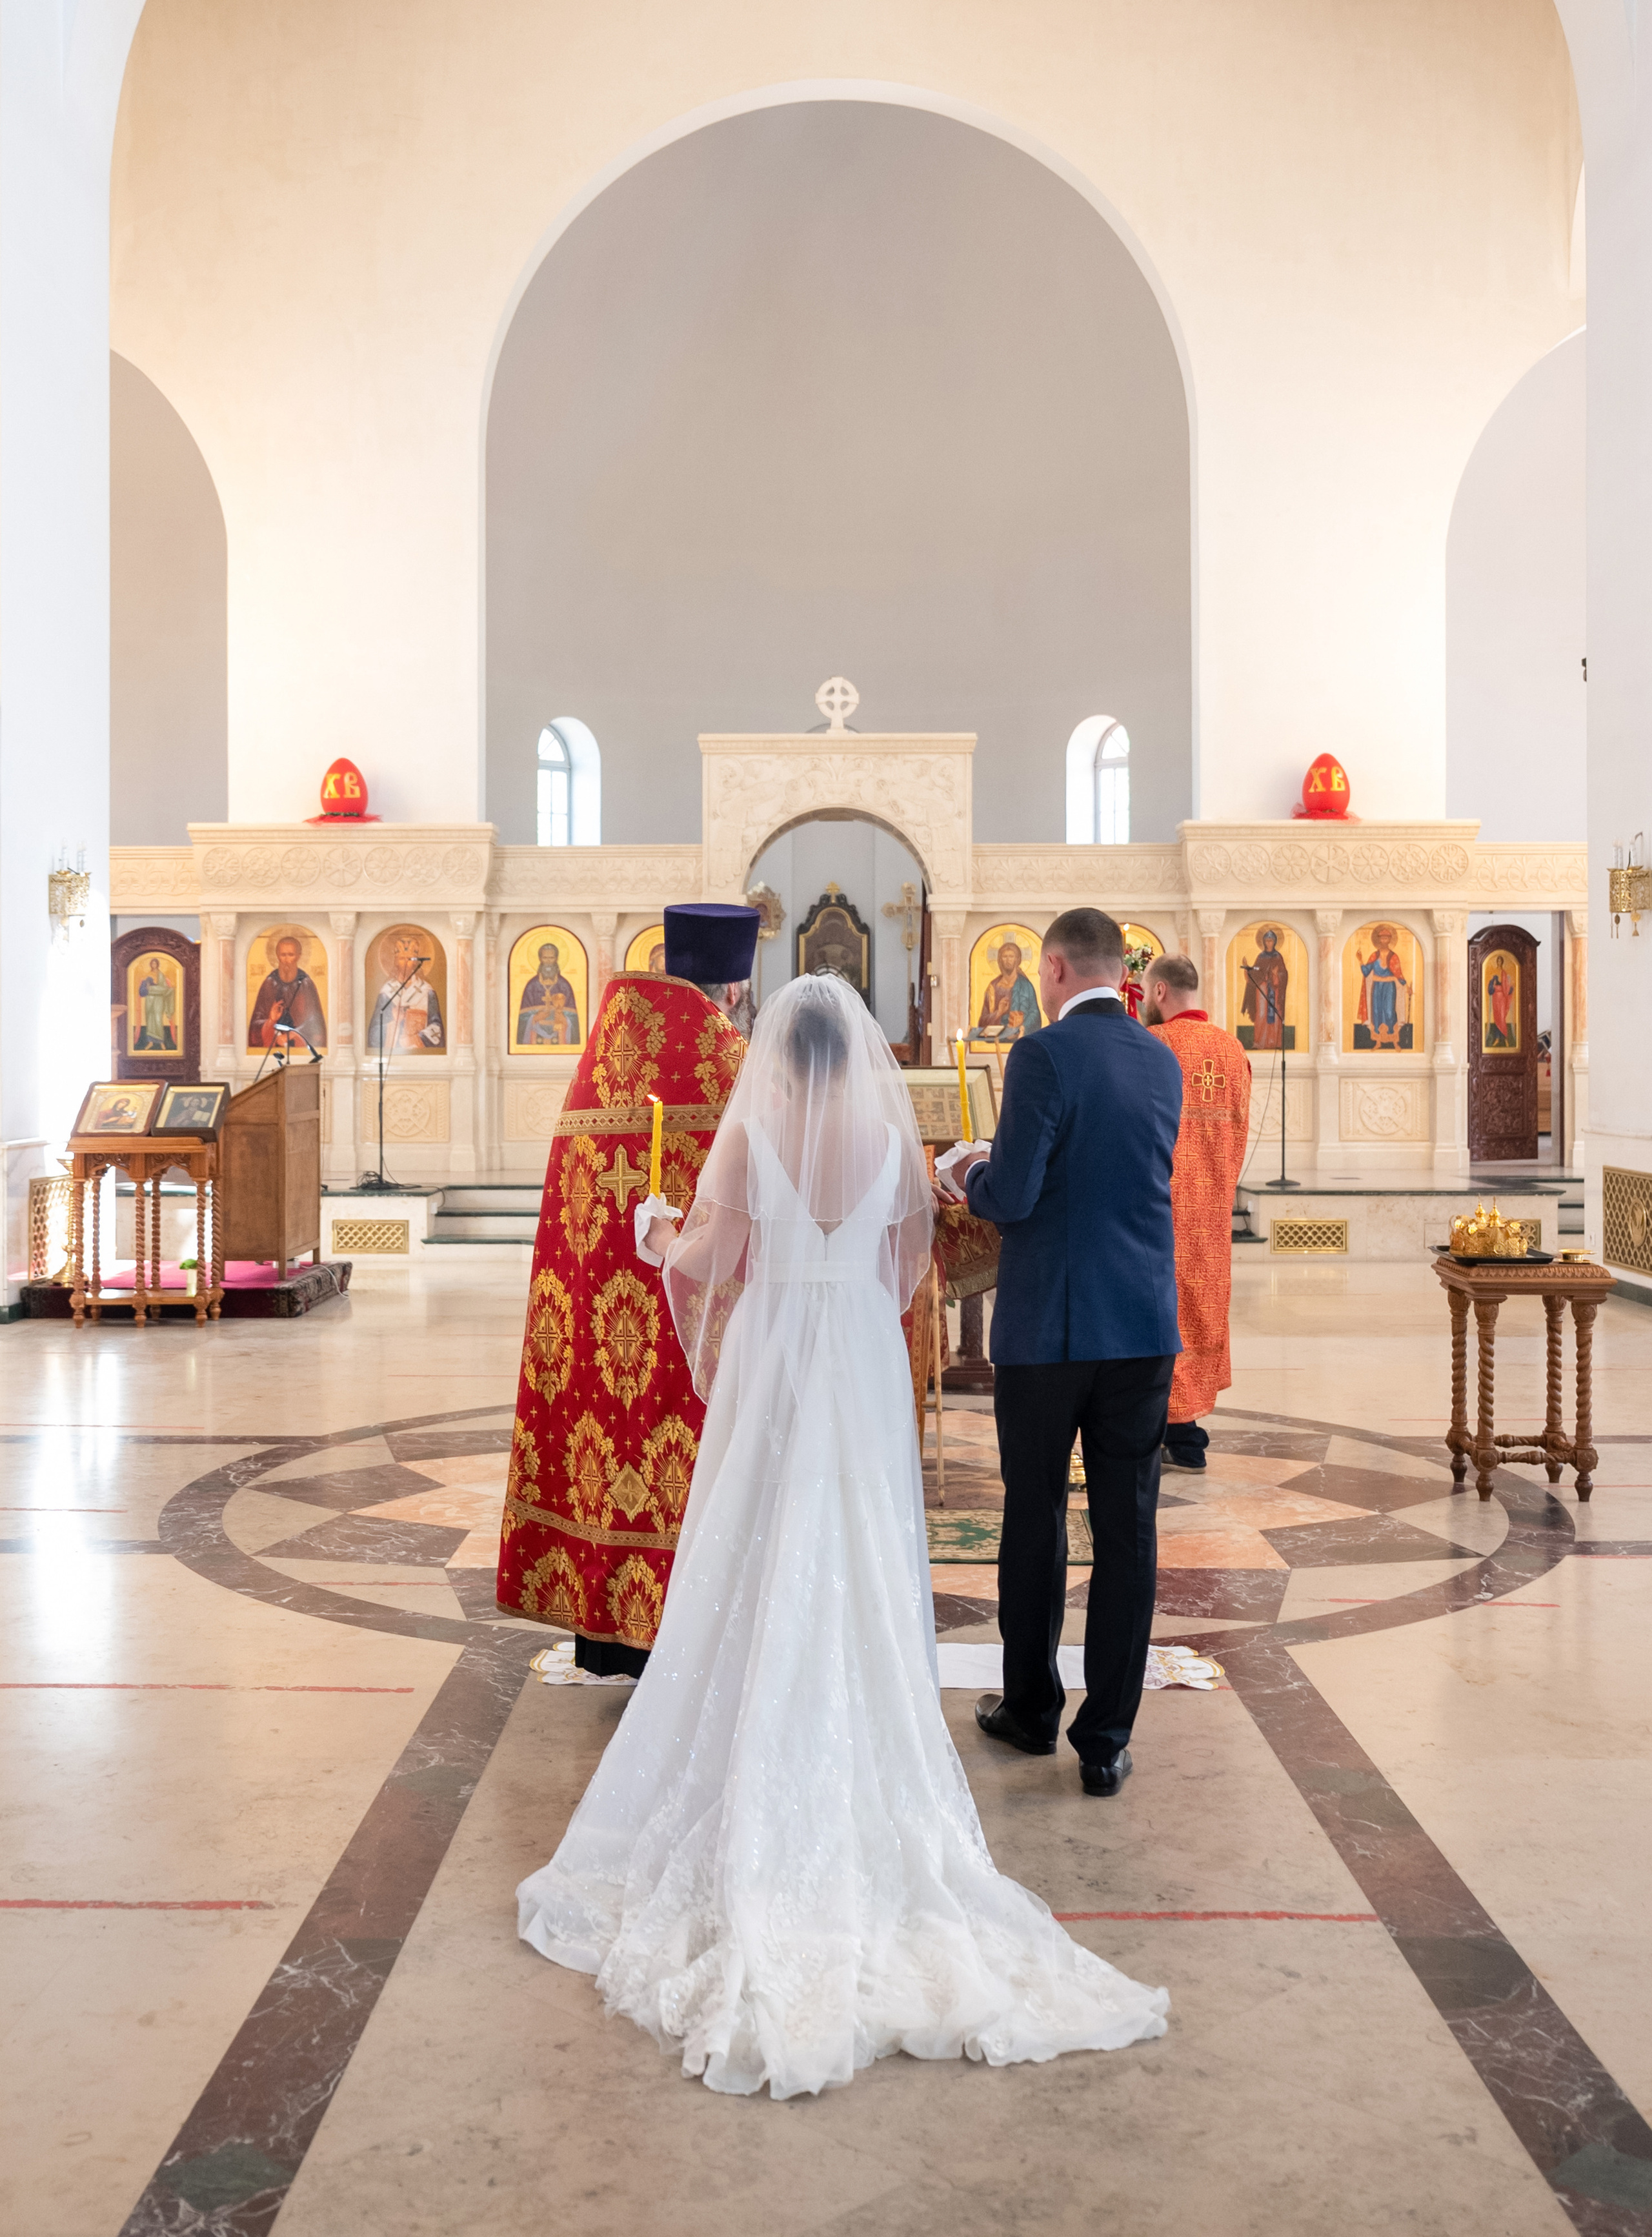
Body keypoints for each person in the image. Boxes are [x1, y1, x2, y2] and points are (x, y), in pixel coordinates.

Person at [516, 972, 1168, 2097]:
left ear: (778, 1053)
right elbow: (906, 1265)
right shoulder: (886, 1133)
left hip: (778, 1347)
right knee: (860, 1540)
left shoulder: (754, 1128)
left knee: (760, 1533)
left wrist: (657, 1226)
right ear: (855, 1052)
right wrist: (847, 1292)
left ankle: (760, 1707)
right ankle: (863, 1707)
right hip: (861, 1352)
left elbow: (709, 1263)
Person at [945, 907, 1182, 1799]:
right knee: (1129, 1527)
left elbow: (1014, 1192)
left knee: (1035, 1513)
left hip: (1050, 1329)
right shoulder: (1162, 1056)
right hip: (1143, 1327)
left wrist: (965, 1170)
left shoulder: (1041, 1055)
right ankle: (1108, 1738)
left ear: (1051, 968)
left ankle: (1034, 1710)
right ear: (1122, 972)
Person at [496, 903, 758, 1674]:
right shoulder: (737, 1067)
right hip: (699, 1319)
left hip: (604, 1325)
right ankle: (691, 1637)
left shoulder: (601, 1061)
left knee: (607, 1442)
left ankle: (607, 1629)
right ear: (734, 987)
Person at [1142, 954, 1252, 1472]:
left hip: (1158, 1207)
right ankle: (1185, 1431)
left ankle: (1167, 1423)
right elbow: (1240, 1128)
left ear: (1159, 991)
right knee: (1199, 1310)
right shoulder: (1233, 1049)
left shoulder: (1156, 1045)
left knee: (1162, 1312)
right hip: (1211, 1209)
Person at [248, 934, 327, 1052]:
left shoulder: (305, 983)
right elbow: (255, 1027)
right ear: (277, 956)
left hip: (299, 1047)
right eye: (283, 955)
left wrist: (294, 1034)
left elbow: (315, 1022)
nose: (286, 960)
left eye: (291, 955)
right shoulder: (270, 983)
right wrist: (271, 1020)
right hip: (273, 1047)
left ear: (298, 956)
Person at [368, 934, 443, 1051]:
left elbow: (437, 1029)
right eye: (402, 959)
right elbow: (373, 1035)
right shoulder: (386, 993)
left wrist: (416, 1039)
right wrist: (393, 1020)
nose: (406, 964)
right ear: (396, 962)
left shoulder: (427, 992)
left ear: (415, 963)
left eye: (410, 959)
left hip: (421, 1055)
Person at [975, 938, 1042, 1043]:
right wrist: (999, 1013)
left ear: (1017, 959)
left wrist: (1022, 1028)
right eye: (1005, 956)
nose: (1008, 960)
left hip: (1020, 1036)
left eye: (1011, 956)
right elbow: (982, 1022)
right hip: (998, 1039)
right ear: (1000, 960)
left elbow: (1035, 1014)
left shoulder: (1026, 985)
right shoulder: (992, 988)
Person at [516, 941, 580, 1045]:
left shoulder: (564, 985)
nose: (548, 962)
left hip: (560, 1035)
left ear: (556, 959)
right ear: (540, 959)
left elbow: (573, 1017)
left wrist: (564, 1019)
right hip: (535, 1036)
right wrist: (535, 1018)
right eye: (545, 958)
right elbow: (523, 1017)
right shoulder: (532, 986)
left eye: (551, 958)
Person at [1240, 926, 1288, 1050]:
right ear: (1264, 942)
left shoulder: (1278, 957)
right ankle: (1259, 1043)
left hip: (1275, 991)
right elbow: (1256, 972)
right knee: (1261, 1014)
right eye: (1267, 941)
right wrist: (1247, 968)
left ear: (1275, 942)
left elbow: (1284, 973)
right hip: (1262, 990)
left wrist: (1277, 974)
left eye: (1271, 940)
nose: (1269, 943)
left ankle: (1275, 1043)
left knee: (1275, 1015)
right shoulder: (1261, 957)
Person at [133, 958, 178, 1052]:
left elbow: (164, 989)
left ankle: (161, 1042)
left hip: (159, 1000)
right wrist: (149, 989)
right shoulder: (148, 975)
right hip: (149, 1000)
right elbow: (144, 990)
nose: (154, 966)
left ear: (157, 965)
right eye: (152, 964)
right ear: (151, 965)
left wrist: (152, 990)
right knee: (150, 1020)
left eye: (155, 964)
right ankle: (151, 1042)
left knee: (158, 1020)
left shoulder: (161, 975)